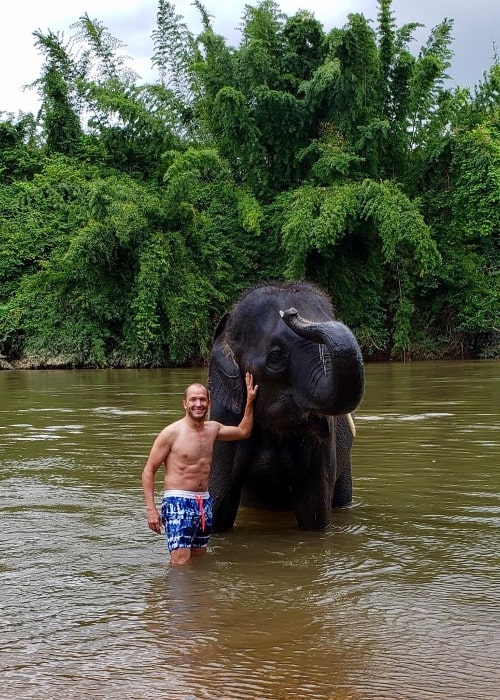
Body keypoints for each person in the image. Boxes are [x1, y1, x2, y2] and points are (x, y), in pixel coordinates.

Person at [141, 372, 258, 565]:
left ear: (209, 404)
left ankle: (197, 595)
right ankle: (174, 595)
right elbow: (148, 470)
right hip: (178, 501)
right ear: (185, 404)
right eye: (193, 400)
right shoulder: (171, 433)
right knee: (180, 562)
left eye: (203, 399)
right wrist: (151, 509)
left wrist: (250, 400)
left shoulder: (213, 429)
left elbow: (243, 431)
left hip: (203, 503)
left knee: (198, 560)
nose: (198, 404)